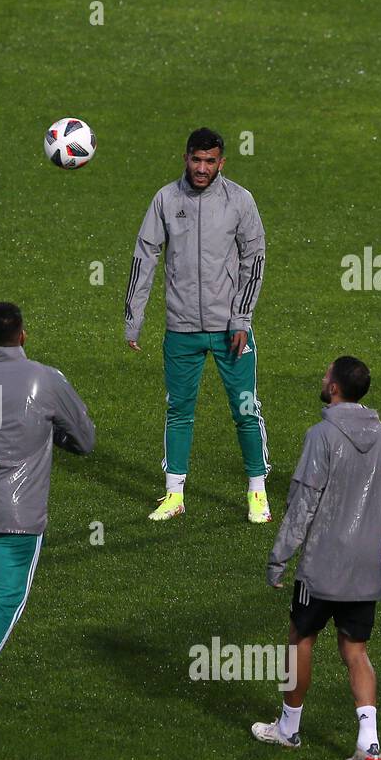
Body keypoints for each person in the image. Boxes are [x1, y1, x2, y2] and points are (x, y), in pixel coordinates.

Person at [0, 303, 95, 735]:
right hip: (18, 511)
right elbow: (85, 439)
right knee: (7, 602)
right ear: (23, 335)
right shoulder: (45, 379)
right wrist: (48, 434)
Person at [122, 127, 270, 523]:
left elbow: (253, 260)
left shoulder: (240, 200)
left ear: (222, 162)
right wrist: (133, 318)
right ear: (185, 157)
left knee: (245, 408)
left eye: (210, 161)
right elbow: (145, 255)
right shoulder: (166, 199)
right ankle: (174, 494)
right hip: (181, 328)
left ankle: (257, 490)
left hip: (230, 329)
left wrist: (241, 317)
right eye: (196, 160)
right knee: (179, 410)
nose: (202, 168)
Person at [254, 357, 381, 760]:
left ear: (335, 388)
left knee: (300, 638)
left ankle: (288, 729)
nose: (322, 378)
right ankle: (370, 743)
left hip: (321, 565)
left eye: (326, 375)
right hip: (366, 566)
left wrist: (279, 557)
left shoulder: (321, 436)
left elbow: (303, 503)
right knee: (356, 650)